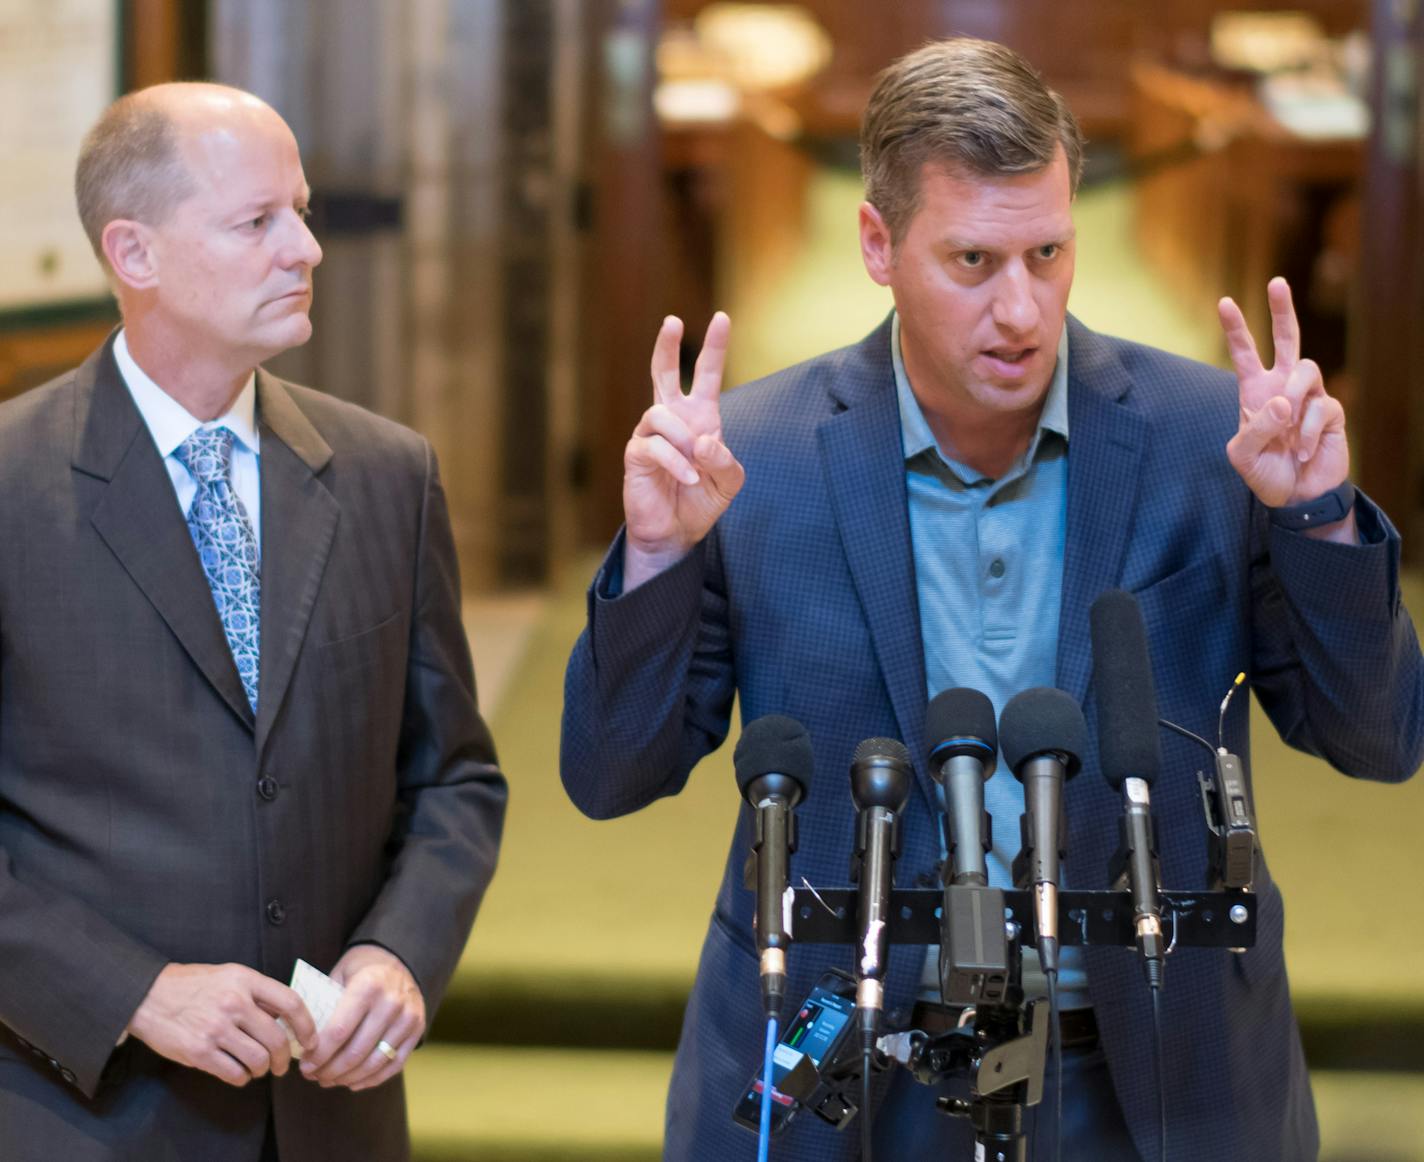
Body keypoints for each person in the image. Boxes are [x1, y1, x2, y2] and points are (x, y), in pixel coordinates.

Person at [561, 37, 1424, 1161]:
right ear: (877, 244)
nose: (1019, 310)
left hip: (1157, 1071)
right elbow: (611, 771)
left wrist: (1315, 515)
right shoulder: (752, 464)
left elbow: (1375, 735)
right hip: (838, 1052)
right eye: (971, 260)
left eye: (1047, 253)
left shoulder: (1210, 442)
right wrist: (657, 557)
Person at [0, 83, 507, 1161]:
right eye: (257, 221)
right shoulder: (9, 487)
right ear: (132, 253)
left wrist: (399, 954)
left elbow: (453, 778)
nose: (307, 248)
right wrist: (132, 991)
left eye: (304, 209)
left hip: (334, 1116)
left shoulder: (386, 474)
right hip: (83, 1107)